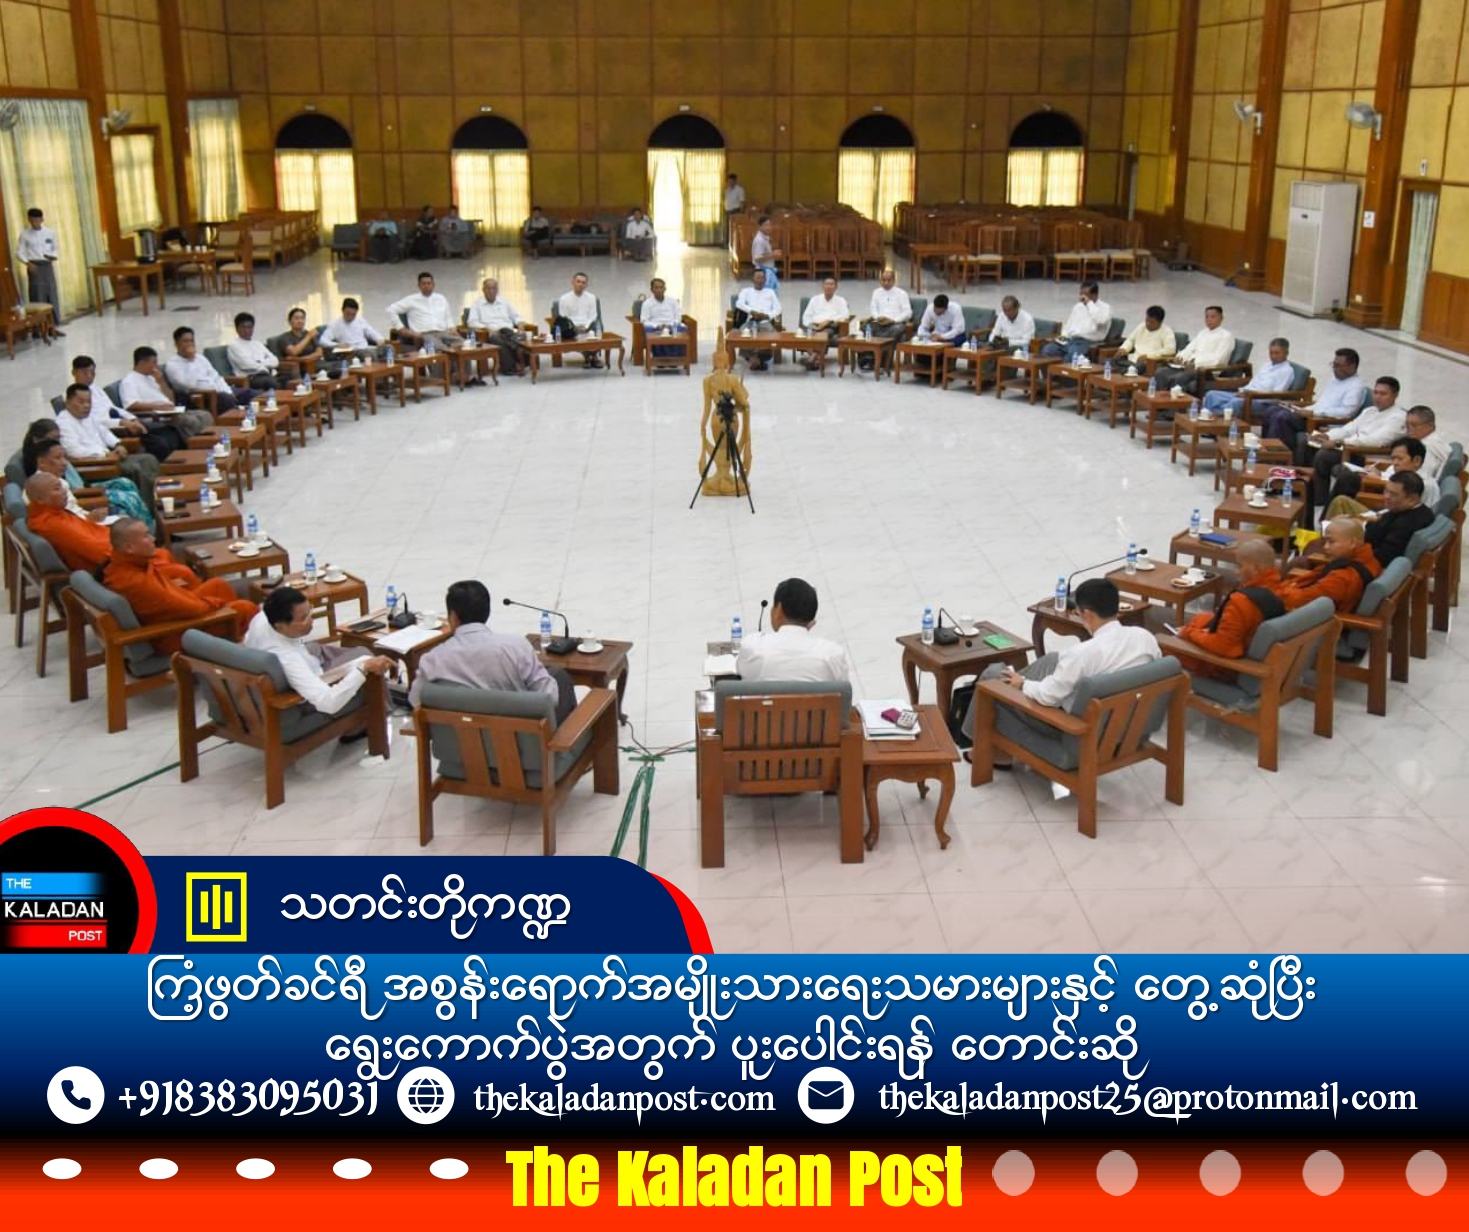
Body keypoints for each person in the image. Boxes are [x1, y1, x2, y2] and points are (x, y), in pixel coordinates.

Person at [962, 579, 1160, 751]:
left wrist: (1022, 684)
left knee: (993, 675)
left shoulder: (1083, 654)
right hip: (1127, 725)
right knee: (1053, 659)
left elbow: (1048, 697)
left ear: (1088, 614)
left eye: (1078, 613)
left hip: (1076, 728)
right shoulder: (1145, 638)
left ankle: (975, 744)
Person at [408, 579, 576, 722]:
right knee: (558, 677)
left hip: (457, 746)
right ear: (487, 612)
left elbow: (415, 701)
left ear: (453, 616)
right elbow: (550, 698)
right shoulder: (516, 646)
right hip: (519, 745)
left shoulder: (432, 659)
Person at [101, 517, 257, 651]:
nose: (153, 539)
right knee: (245, 607)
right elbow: (193, 609)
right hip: (173, 634)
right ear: (129, 547)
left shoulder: (124, 565)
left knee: (218, 585)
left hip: (177, 617)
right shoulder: (136, 582)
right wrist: (218, 604)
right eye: (146, 536)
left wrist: (209, 603)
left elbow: (174, 600)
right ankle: (249, 653)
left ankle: (234, 639)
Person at [245, 587, 394, 716]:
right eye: (304, 618)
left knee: (318, 647)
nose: (311, 620)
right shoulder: (288, 659)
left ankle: (384, 692)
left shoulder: (262, 618)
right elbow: (328, 703)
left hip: (306, 654)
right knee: (363, 654)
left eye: (309, 610)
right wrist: (363, 668)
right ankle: (384, 711)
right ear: (280, 626)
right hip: (314, 679)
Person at [1302, 376, 1407, 525]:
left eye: (1383, 394)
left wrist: (1341, 442)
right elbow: (1349, 429)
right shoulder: (1370, 411)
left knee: (1327, 457)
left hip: (1370, 457)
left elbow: (1377, 441)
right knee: (1315, 448)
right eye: (1376, 392)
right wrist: (1328, 436)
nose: (1377, 397)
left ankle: (1327, 518)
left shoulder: (1398, 417)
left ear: (1395, 395)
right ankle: (1318, 499)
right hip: (1351, 450)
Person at [1170, 540, 1283, 679]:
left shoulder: (1242, 602)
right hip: (1258, 654)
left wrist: (1189, 633)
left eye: (1239, 566)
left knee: (1164, 647)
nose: (1236, 571)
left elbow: (1223, 647)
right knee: (1201, 619)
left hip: (1230, 667)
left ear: (1255, 569)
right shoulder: (1279, 589)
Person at [22, 473, 164, 569]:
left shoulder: (54, 513)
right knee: (164, 557)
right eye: (57, 489)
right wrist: (137, 552)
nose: (65, 491)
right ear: (40, 500)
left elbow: (87, 534)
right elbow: (99, 552)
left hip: (114, 547)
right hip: (115, 565)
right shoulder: (52, 525)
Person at [22, 429, 152, 530]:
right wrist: (89, 518)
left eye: (64, 457)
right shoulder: (41, 489)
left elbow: (73, 509)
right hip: (84, 526)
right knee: (127, 501)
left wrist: (91, 514)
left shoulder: (56, 480)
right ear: (41, 462)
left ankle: (148, 529)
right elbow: (64, 520)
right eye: (58, 458)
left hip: (85, 517)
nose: (64, 463)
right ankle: (146, 534)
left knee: (125, 483)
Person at [55, 383, 160, 507]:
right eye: (81, 402)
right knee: (134, 468)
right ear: (68, 403)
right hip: (97, 464)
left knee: (148, 459)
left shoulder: (89, 417)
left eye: (89, 402)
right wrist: (104, 454)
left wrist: (117, 444)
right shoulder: (63, 423)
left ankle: (158, 499)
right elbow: (74, 451)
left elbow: (104, 432)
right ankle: (147, 505)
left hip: (111, 458)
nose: (86, 405)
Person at [735, 578, 850, 683]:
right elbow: (844, 694)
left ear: (778, 610)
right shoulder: (833, 654)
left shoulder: (753, 647)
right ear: (811, 623)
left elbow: (739, 674)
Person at [1265, 347, 1368, 451]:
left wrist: (1314, 413)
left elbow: (1346, 412)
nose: (1335, 369)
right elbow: (1321, 404)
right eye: (1333, 365)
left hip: (1323, 422)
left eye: (1338, 366)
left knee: (1282, 417)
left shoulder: (1356, 386)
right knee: (1273, 410)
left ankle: (1279, 452)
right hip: (1313, 416)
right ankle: (1265, 449)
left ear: (1352, 366)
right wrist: (1301, 409)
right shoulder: (1335, 380)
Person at [1278, 517, 1380, 613]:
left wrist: (1275, 593)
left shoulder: (1341, 578)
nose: (1325, 547)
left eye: (1331, 542)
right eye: (1325, 541)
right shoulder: (1369, 560)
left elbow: (1300, 600)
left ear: (1352, 543)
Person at [1324, 436, 1439, 517]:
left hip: (1389, 520)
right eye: (1393, 458)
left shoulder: (1425, 484)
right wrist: (1378, 474)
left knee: (1344, 492)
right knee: (1341, 500)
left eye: (1399, 459)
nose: (1395, 463)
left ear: (1417, 460)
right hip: (1385, 513)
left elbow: (1415, 516)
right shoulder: (1405, 473)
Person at [162, 328, 248, 418]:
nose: (190, 344)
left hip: (220, 390)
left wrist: (228, 391)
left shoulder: (200, 358)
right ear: (176, 344)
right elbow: (189, 385)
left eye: (191, 341)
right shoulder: (173, 365)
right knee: (226, 399)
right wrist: (190, 360)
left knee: (249, 394)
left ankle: (251, 420)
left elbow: (216, 376)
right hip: (203, 397)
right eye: (186, 341)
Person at [1201, 336, 1294, 418]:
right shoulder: (1267, 365)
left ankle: (1217, 421)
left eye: (1277, 353)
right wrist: (1242, 391)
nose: (1273, 356)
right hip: (1246, 395)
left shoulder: (1286, 371)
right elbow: (1253, 382)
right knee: (1211, 395)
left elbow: (1276, 396)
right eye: (1271, 353)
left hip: (1261, 402)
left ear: (1286, 353)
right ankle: (1210, 421)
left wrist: (1250, 395)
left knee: (1235, 403)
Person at [1150, 306, 1234, 394]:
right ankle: (1160, 398)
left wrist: (1195, 363)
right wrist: (1180, 357)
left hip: (1206, 371)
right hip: (1188, 367)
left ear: (1221, 318)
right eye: (1207, 317)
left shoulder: (1226, 336)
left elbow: (1219, 359)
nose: (1209, 319)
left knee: (1180, 377)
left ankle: (1175, 401)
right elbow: (1189, 349)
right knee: (1161, 372)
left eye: (1213, 317)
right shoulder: (1203, 333)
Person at [466, 278, 529, 377]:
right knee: (501, 341)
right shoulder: (477, 304)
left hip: (507, 331)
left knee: (520, 336)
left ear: (497, 290)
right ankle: (512, 366)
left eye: (493, 288)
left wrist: (520, 324)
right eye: (488, 288)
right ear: (483, 290)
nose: (491, 291)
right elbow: (471, 322)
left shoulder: (504, 302)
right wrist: (486, 328)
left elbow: (516, 316)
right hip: (491, 333)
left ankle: (520, 362)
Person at [389, 272, 463, 353]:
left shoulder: (441, 298)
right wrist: (400, 328)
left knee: (464, 345)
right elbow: (391, 309)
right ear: (419, 286)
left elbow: (448, 317)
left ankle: (452, 354)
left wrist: (452, 328)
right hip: (424, 335)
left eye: (429, 283)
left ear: (433, 285)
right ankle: (447, 353)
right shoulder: (411, 300)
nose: (426, 286)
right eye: (423, 284)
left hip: (443, 333)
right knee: (438, 347)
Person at [17, 207, 63, 332]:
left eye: (37, 221)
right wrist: (28, 263)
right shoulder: (25, 234)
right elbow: (19, 252)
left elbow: (55, 248)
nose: (35, 223)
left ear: (42, 219)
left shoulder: (49, 232)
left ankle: (53, 327)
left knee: (51, 294)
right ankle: (39, 329)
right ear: (29, 220)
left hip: (47, 265)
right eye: (32, 221)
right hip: (34, 266)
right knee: (37, 295)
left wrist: (53, 256)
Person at [1042, 281, 1111, 363]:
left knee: (1071, 356)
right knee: (1048, 350)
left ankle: (1064, 370)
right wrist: (1062, 337)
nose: (1082, 297)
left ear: (1095, 295)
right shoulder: (1078, 306)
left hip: (1085, 341)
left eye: (1085, 295)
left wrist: (1089, 304)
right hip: (1069, 340)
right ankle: (1051, 372)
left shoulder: (1105, 308)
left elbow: (1101, 321)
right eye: (1081, 294)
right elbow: (1069, 325)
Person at [864, 268, 912, 371]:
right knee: (866, 327)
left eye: (889, 280)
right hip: (880, 321)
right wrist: (878, 317)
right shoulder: (876, 292)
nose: (886, 283)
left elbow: (908, 313)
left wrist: (893, 320)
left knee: (895, 329)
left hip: (895, 323)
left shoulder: (902, 293)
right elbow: (873, 308)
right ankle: (868, 359)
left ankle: (884, 361)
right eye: (883, 280)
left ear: (894, 280)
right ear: (880, 280)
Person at [733, 268, 780, 371]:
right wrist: (752, 311)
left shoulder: (770, 292)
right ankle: (756, 360)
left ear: (765, 280)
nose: (760, 280)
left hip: (765, 322)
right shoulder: (746, 291)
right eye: (758, 278)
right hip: (750, 321)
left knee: (771, 337)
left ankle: (755, 359)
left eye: (762, 278)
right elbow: (739, 304)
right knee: (743, 336)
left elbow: (778, 309)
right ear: (752, 279)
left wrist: (767, 315)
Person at [552, 272, 603, 367]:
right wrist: (575, 327)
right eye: (578, 281)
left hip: (587, 325)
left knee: (596, 328)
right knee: (566, 328)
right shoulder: (564, 299)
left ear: (586, 285)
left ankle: (593, 356)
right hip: (571, 327)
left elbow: (593, 316)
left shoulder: (592, 298)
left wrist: (586, 327)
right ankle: (588, 357)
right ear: (572, 282)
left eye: (583, 283)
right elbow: (563, 317)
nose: (580, 284)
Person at [799, 277, 851, 369]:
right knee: (806, 335)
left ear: (836, 287)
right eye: (827, 284)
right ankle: (817, 360)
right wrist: (812, 325)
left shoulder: (841, 300)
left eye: (831, 284)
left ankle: (812, 359)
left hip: (831, 326)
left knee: (826, 332)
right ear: (822, 286)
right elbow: (806, 316)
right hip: (815, 326)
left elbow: (846, 315)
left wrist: (828, 321)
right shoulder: (815, 299)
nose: (829, 286)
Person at [318, 297, 385, 364]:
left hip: (364, 348)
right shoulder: (335, 324)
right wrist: (337, 345)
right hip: (350, 352)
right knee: (368, 355)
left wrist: (379, 339)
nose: (351, 317)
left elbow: (371, 332)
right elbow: (322, 341)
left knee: (386, 350)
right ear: (342, 310)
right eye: (348, 314)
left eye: (353, 314)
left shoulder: (360, 320)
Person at [228, 313, 282, 390]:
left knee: (288, 377)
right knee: (270, 382)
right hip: (250, 379)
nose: (247, 330)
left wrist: (260, 363)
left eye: (250, 327)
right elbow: (247, 364)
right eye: (243, 327)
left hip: (267, 375)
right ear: (237, 329)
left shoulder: (257, 344)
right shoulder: (234, 346)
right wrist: (266, 366)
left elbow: (275, 361)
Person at [914, 293, 965, 372]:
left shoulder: (955, 309)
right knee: (922, 344)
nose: (937, 314)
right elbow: (923, 326)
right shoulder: (930, 308)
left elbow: (958, 330)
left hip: (953, 335)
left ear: (945, 309)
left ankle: (947, 367)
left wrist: (942, 337)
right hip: (937, 335)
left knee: (952, 343)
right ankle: (925, 368)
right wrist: (923, 334)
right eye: (935, 311)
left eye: (940, 313)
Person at [639, 278, 685, 361]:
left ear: (665, 289)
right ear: (652, 290)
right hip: (656, 326)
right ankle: (660, 358)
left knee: (682, 329)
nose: (659, 290)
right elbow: (644, 320)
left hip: (671, 325)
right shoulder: (647, 303)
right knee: (650, 330)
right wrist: (657, 326)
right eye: (656, 287)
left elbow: (678, 317)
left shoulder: (673, 301)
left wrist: (670, 325)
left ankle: (675, 358)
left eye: (661, 287)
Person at [1404, 404, 1451, 480]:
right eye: (1407, 425)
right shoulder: (1433, 440)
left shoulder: (1428, 447)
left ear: (1430, 425)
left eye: (1414, 425)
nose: (1409, 429)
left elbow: (1421, 478)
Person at [272, 307, 324, 374]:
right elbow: (294, 352)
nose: (300, 321)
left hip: (315, 364)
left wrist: (298, 359)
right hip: (297, 368)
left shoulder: (310, 334)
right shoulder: (284, 338)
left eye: (302, 318)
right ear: (289, 321)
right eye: (296, 318)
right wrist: (308, 337)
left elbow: (319, 354)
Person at [750, 215, 782, 291]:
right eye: (766, 225)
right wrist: (773, 255)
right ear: (760, 227)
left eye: (769, 225)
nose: (768, 227)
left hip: (768, 271)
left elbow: (765, 254)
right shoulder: (759, 240)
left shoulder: (765, 237)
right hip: (763, 273)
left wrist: (773, 253)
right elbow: (757, 258)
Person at [724, 172, 746, 242]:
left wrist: (741, 213)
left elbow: (742, 202)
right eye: (729, 181)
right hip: (728, 211)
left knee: (733, 229)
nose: (730, 183)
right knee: (727, 228)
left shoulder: (739, 190)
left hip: (735, 211)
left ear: (735, 181)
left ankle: (733, 243)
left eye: (731, 181)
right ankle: (727, 243)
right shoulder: (727, 190)